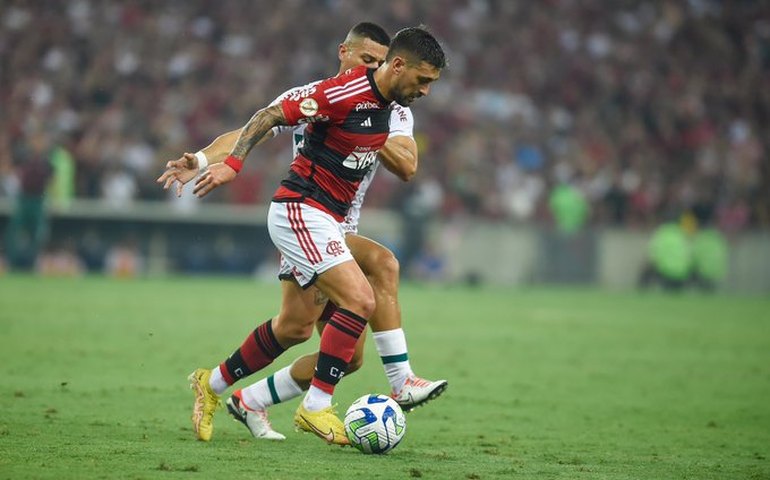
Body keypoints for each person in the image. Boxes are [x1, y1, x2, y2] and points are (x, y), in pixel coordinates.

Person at [158, 25, 446, 445]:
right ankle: (381, 386)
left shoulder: (396, 107)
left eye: (380, 61)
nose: (374, 67)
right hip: (308, 215)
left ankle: (236, 394)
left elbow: (406, 166)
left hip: (337, 222)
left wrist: (368, 115)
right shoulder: (322, 95)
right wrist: (203, 160)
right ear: (342, 52)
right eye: (366, 60)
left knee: (317, 340)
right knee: (377, 273)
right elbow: (251, 128)